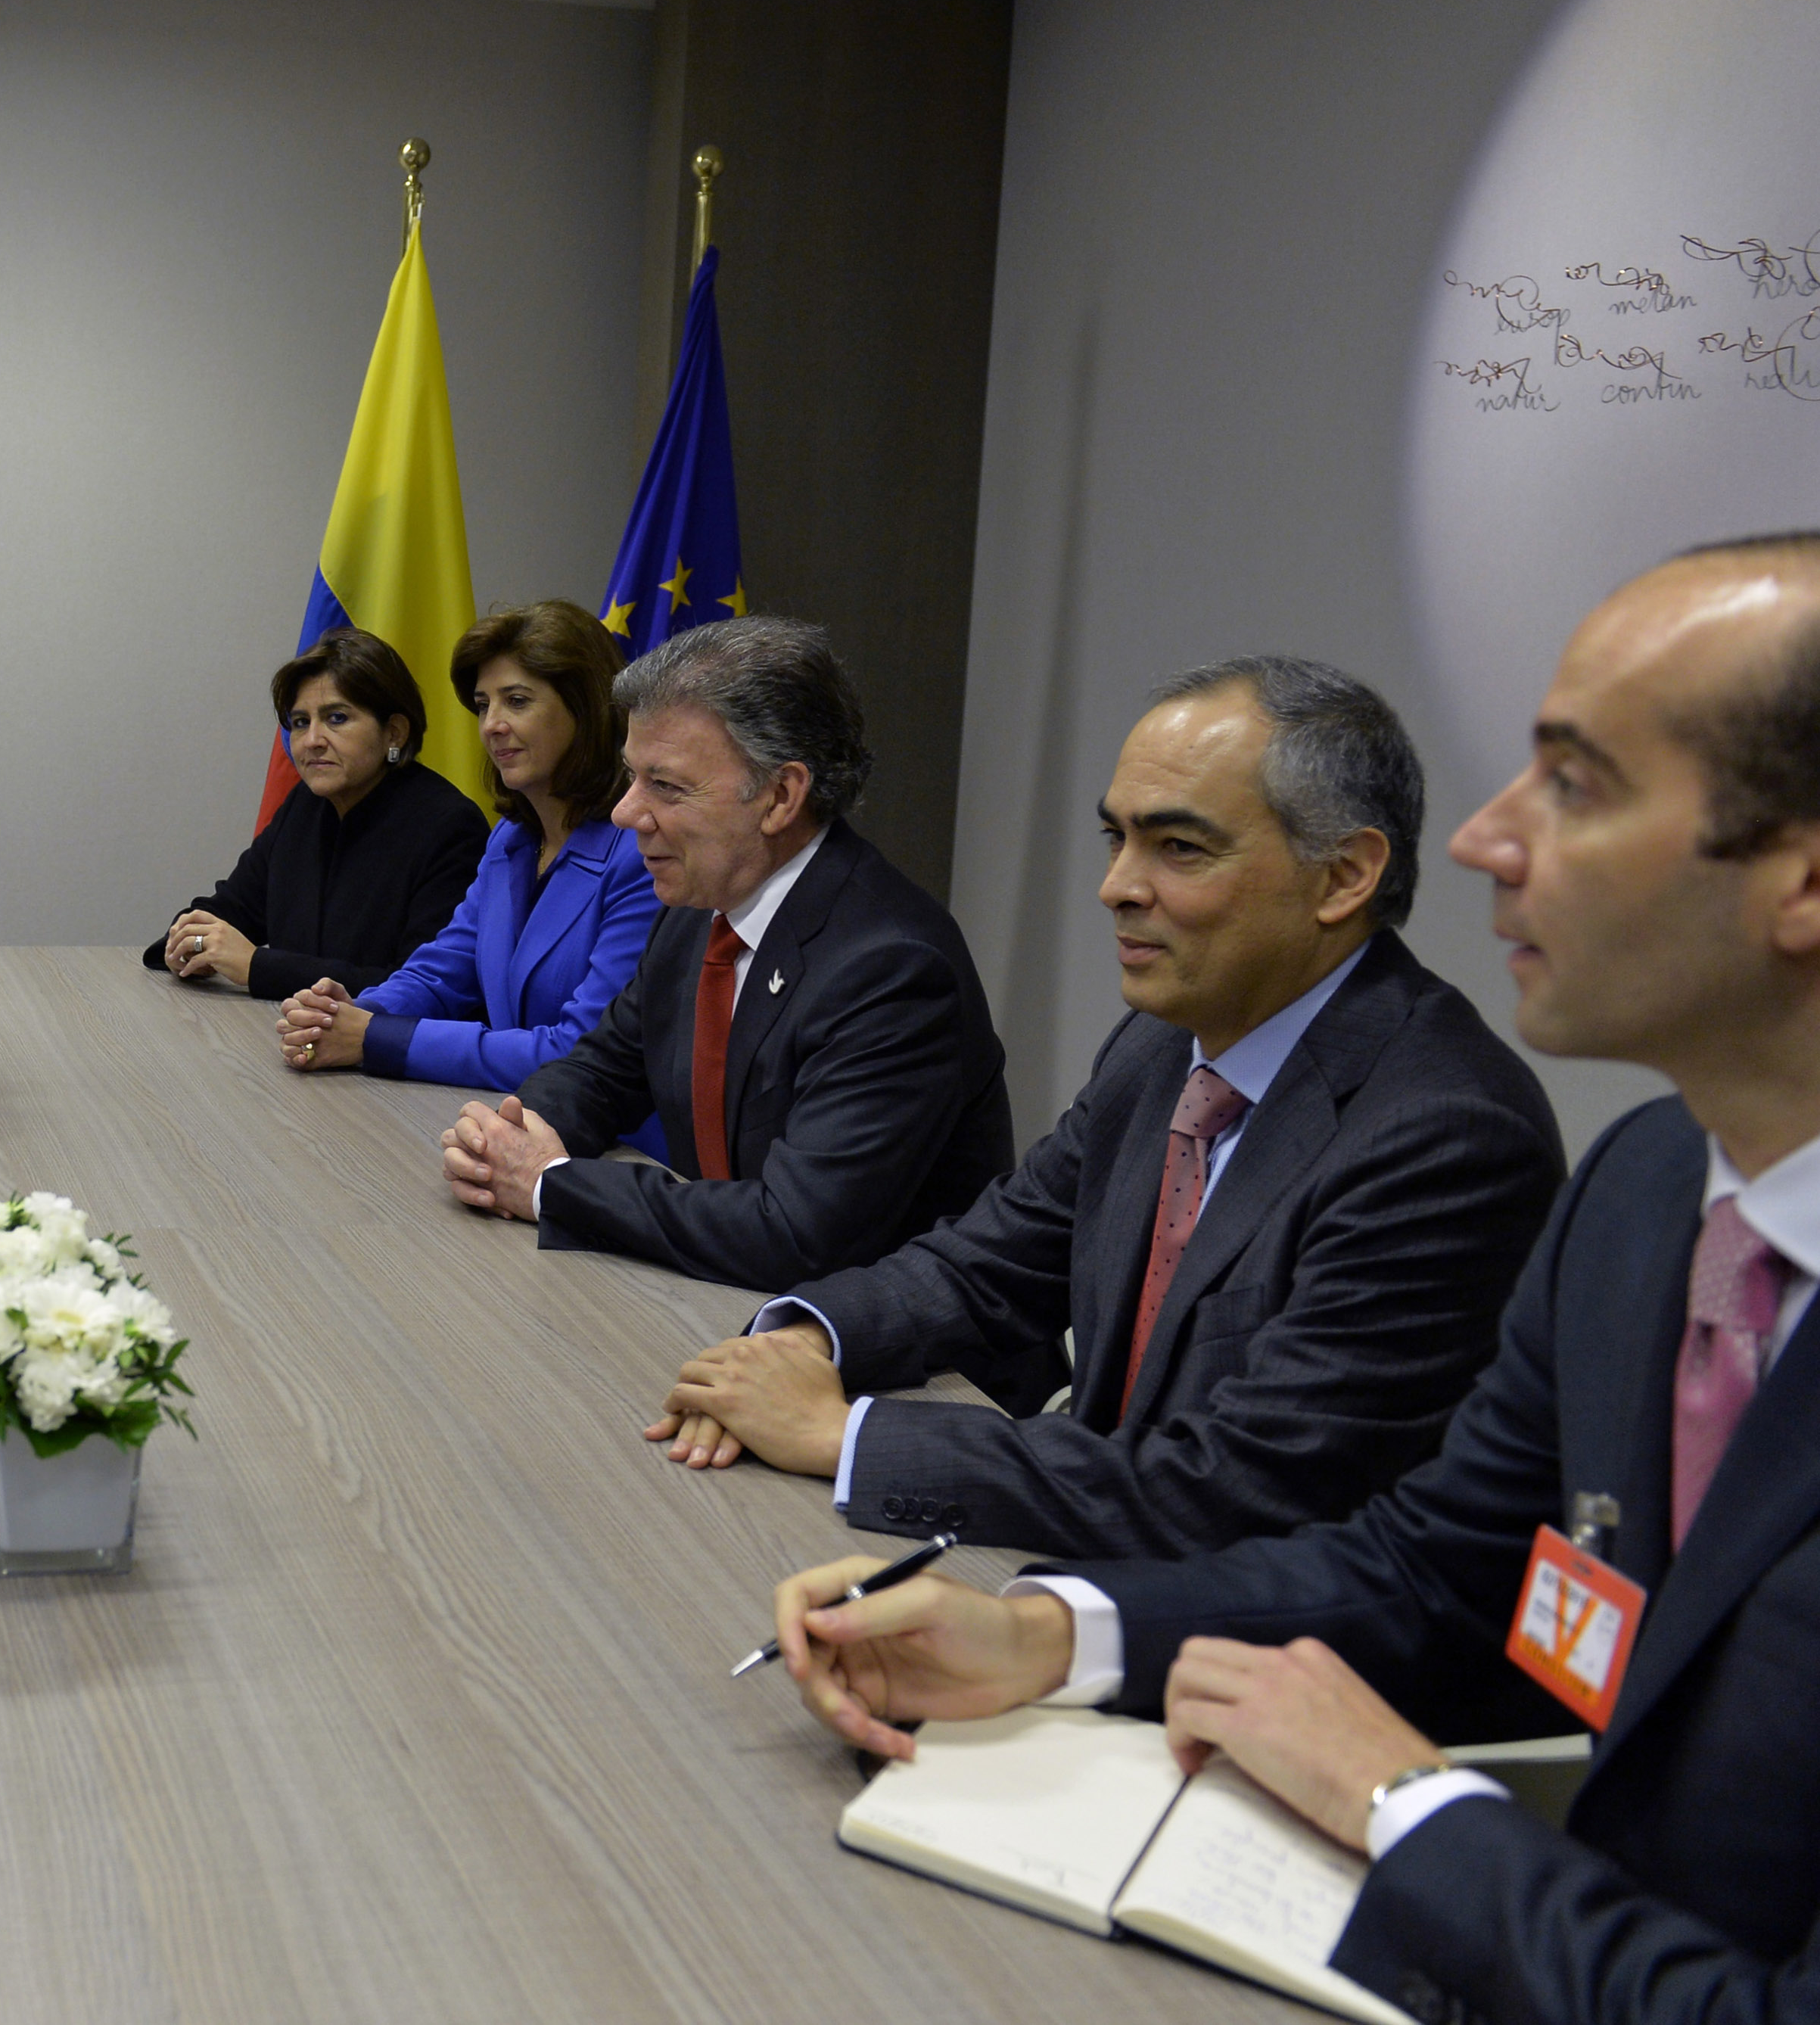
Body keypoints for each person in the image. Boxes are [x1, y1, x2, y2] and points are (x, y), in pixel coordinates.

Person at [767, 537, 1820, 2025]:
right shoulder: (1650, 1183)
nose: (1484, 840)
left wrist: (1404, 1801)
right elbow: (1429, 1564)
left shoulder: (1466, 1125)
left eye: (1576, 784)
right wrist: (1050, 1635)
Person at [649, 658, 1565, 1558]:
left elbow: (1237, 1486)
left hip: (1255, 1655)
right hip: (1095, 1562)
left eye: (1179, 847)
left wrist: (847, 1437)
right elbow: (986, 1264)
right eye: (1116, 838)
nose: (1117, 886)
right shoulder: (1164, 1044)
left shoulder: (1445, 1134)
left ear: (1343, 876)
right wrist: (808, 1339)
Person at [440, 617, 1016, 1302]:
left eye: (666, 786)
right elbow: (600, 1071)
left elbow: (796, 1234)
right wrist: (509, 1136)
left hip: (895, 1367)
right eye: (631, 776)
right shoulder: (695, 912)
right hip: (721, 1298)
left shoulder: (892, 968)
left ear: (779, 796)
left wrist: (547, 1183)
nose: (625, 813)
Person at [276, 603, 664, 1154]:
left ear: (586, 708)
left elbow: (579, 1050)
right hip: (510, 1130)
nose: (492, 725)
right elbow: (443, 971)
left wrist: (373, 1038)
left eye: (518, 701)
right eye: (483, 705)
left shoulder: (641, 853)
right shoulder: (511, 839)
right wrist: (354, 1010)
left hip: (617, 1155)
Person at [145, 627, 490, 1000]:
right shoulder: (306, 805)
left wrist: (256, 966)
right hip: (291, 1036)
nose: (312, 741)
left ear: (394, 733)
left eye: (337, 718)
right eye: (300, 722)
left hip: (376, 1051)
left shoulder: (449, 826)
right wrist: (190, 942)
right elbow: (232, 908)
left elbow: (419, 989)